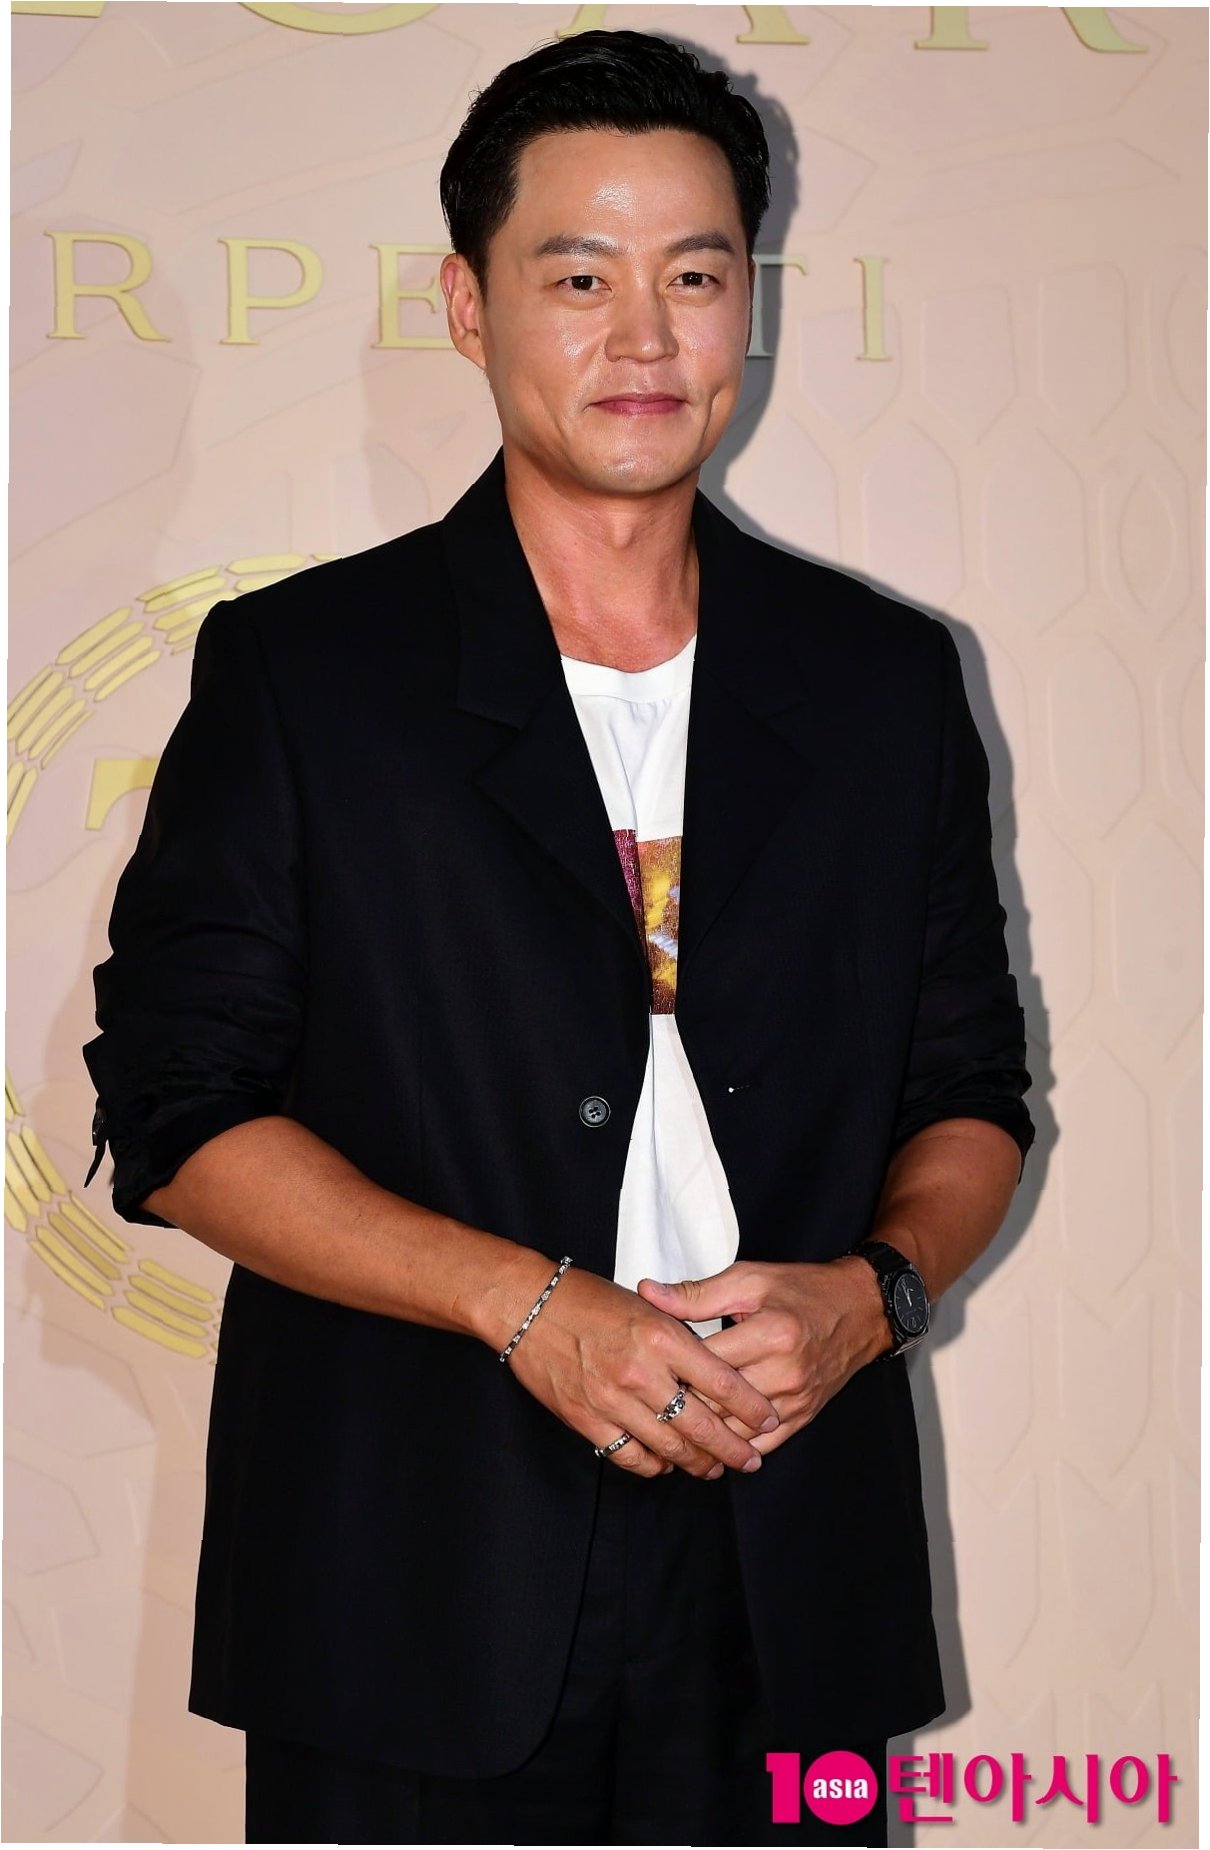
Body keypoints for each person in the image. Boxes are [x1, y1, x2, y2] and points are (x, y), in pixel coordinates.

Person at [81, 28, 1035, 1848]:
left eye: (696, 275)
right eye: (579, 277)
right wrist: (524, 1306)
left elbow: (970, 1089)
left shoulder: (881, 680)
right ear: (469, 306)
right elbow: (180, 1112)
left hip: (785, 1564)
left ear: (749, 304)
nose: (644, 336)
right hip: (413, 1564)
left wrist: (872, 1295)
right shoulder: (308, 673)